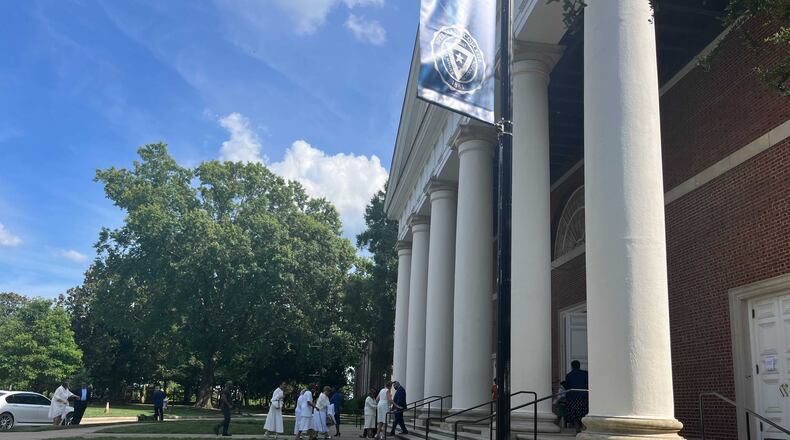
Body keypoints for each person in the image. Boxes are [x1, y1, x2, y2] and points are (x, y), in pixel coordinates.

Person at [564, 360, 589, 434]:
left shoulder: (569, 375)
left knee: (574, 415)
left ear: (572, 366)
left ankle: (577, 429)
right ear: (579, 366)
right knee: (583, 413)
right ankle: (584, 429)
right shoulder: (585, 373)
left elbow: (567, 387)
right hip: (583, 397)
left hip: (572, 398)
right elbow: (587, 384)